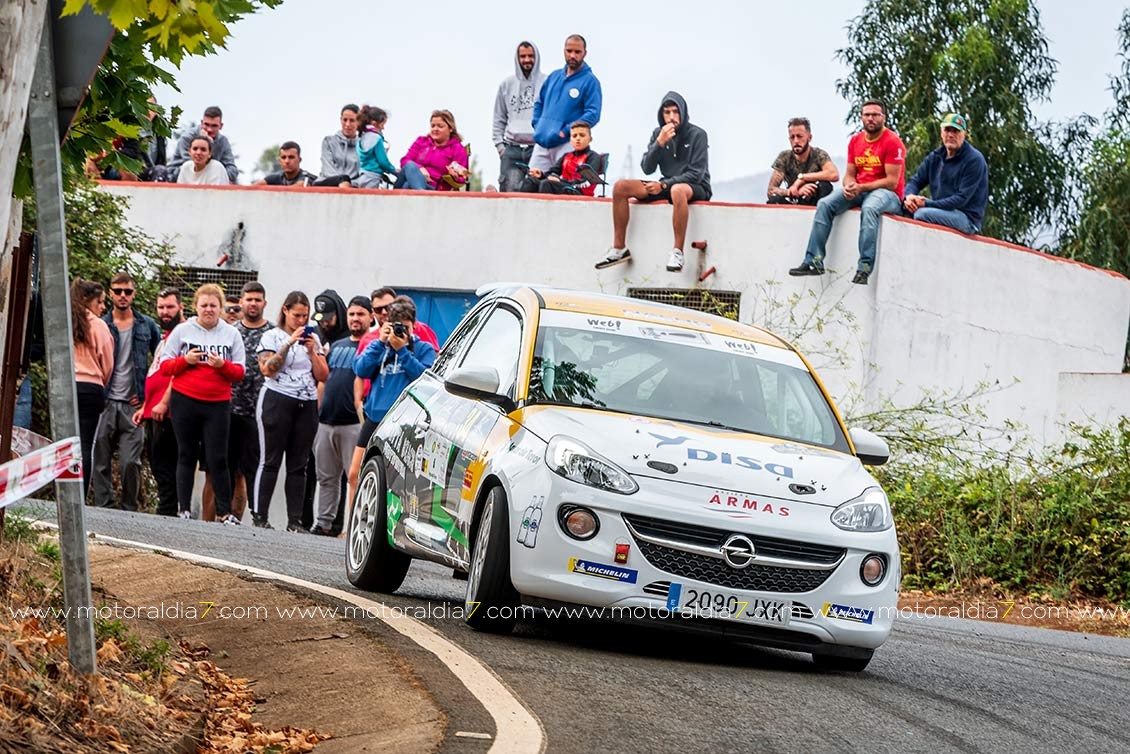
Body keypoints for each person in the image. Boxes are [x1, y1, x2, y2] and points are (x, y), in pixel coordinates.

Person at [789, 99, 906, 285]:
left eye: (875, 115)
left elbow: (892, 182)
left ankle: (864, 268)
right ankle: (813, 262)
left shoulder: (893, 142)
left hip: (887, 194)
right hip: (860, 189)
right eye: (867, 115)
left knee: (870, 208)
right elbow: (849, 174)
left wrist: (861, 187)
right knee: (825, 204)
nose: (870, 118)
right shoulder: (855, 141)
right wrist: (850, 186)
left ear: (883, 117)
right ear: (861, 117)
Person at [156, 284, 246, 523]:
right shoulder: (183, 330)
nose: (208, 310)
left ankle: (224, 512)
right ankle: (184, 509)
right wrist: (186, 360)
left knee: (218, 458)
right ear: (195, 306)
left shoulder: (231, 333)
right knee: (186, 454)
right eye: (204, 305)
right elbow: (165, 366)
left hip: (217, 403)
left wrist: (222, 366)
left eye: (213, 306)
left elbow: (240, 371)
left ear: (221, 307)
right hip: (185, 399)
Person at [596, 92, 711, 273]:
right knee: (620, 187)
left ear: (683, 112)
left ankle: (677, 252)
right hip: (666, 184)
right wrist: (659, 143)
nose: (671, 117)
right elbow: (647, 168)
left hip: (695, 186)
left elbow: (696, 174)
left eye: (675, 112)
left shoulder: (698, 135)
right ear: (661, 114)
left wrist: (664, 186)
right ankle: (619, 248)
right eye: (667, 112)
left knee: (677, 190)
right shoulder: (658, 133)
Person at [253, 291, 329, 532]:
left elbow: (323, 375)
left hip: (306, 402)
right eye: (297, 315)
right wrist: (288, 343)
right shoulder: (271, 336)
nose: (301, 321)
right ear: (285, 310)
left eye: (305, 316)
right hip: (277, 398)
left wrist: (311, 352)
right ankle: (260, 516)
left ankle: (294, 521)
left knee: (299, 464)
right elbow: (267, 369)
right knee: (270, 460)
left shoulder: (313, 339)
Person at [350, 298, 437, 506]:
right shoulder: (381, 346)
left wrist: (403, 351)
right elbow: (361, 369)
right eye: (397, 327)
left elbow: (424, 378)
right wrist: (381, 342)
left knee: (395, 480)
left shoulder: (423, 348)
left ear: (414, 326)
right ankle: (352, 518)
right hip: (376, 416)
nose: (401, 332)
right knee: (355, 473)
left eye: (405, 327)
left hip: (404, 422)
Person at [92, 272, 160, 510]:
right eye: (118, 291)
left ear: (134, 294)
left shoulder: (147, 325)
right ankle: (104, 507)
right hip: (105, 401)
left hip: (134, 404)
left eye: (128, 291)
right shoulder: (101, 324)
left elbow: (160, 361)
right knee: (100, 459)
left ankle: (129, 510)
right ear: (110, 293)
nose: (123, 295)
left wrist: (148, 399)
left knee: (131, 462)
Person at [312, 296, 371, 535]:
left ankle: (352, 528)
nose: (355, 319)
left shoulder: (372, 346)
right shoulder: (337, 345)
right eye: (352, 314)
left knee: (354, 478)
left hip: (353, 424)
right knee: (326, 477)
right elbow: (323, 380)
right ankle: (323, 523)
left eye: (361, 314)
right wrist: (320, 410)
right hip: (326, 422)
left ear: (371, 317)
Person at [131, 287, 184, 516]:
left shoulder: (184, 334)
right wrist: (146, 406)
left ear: (181, 307)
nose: (165, 312)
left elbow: (179, 373)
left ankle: (167, 515)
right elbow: (156, 372)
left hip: (170, 413)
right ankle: (166, 511)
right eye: (161, 307)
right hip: (153, 411)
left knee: (165, 467)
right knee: (156, 464)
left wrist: (163, 402)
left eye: (170, 307)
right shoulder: (166, 337)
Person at [229, 282, 273, 526]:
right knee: (227, 468)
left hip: (258, 412)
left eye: (257, 299)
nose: (253, 304)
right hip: (230, 408)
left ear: (264, 303)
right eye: (249, 299)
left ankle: (255, 515)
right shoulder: (230, 331)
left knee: (252, 468)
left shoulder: (273, 333)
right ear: (241, 302)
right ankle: (225, 516)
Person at [902, 113, 989, 235]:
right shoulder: (935, 156)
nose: (951, 135)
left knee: (922, 214)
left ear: (964, 134)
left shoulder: (974, 160)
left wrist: (926, 203)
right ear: (941, 132)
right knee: (901, 207)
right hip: (941, 210)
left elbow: (961, 199)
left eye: (956, 131)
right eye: (947, 130)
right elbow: (916, 181)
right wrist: (909, 197)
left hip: (966, 217)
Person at [531, 34, 602, 172]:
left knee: (560, 182)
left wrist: (566, 131)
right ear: (564, 51)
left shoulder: (590, 81)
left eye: (577, 52)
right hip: (542, 143)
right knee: (531, 181)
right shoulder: (553, 76)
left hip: (567, 144)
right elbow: (539, 103)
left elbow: (593, 114)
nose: (573, 55)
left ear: (585, 53)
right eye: (569, 51)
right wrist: (537, 124)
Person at [70, 279, 114, 496]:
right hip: (91, 387)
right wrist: (101, 380)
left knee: (65, 443)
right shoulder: (98, 325)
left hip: (68, 385)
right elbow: (108, 362)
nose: (103, 307)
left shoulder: (65, 322)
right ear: (87, 300)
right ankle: (80, 495)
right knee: (85, 444)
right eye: (100, 302)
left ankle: (64, 490)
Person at [493, 41, 546, 192]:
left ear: (537, 57)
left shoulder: (547, 83)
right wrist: (500, 147)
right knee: (510, 195)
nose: (527, 60)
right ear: (517, 58)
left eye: (531, 56)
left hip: (537, 149)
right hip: (512, 148)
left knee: (537, 195)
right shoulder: (507, 84)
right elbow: (499, 117)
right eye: (523, 56)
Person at [767, 117, 839, 206]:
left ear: (809, 138)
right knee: (774, 199)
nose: (796, 141)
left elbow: (833, 174)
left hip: (814, 200)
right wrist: (791, 192)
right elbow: (771, 190)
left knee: (825, 186)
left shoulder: (818, 154)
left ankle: (820, 213)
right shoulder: (785, 157)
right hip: (794, 201)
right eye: (792, 137)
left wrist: (803, 178)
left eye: (799, 136)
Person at [394, 110, 469, 191]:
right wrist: (420, 169)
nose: (435, 129)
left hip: (433, 188)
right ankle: (421, 193)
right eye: (433, 126)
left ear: (451, 128)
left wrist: (455, 177)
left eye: (440, 126)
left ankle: (420, 192)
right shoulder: (421, 141)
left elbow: (462, 178)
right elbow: (405, 160)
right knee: (410, 165)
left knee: (408, 185)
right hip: (406, 180)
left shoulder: (458, 149)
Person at [526, 120, 599, 195]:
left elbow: (587, 181)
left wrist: (560, 181)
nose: (578, 138)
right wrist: (541, 175)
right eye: (574, 136)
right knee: (530, 182)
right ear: (571, 140)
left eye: (582, 135)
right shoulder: (567, 156)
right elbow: (553, 171)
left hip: (580, 191)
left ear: (590, 139)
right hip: (566, 186)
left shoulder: (593, 157)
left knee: (547, 184)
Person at [168, 106, 238, 182]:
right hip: (179, 177)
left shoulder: (223, 141)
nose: (209, 129)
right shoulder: (187, 138)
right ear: (201, 123)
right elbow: (195, 165)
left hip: (210, 181)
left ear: (221, 126)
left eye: (214, 126)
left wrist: (219, 174)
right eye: (206, 124)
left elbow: (233, 171)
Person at [355, 106, 399, 189]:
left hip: (362, 175)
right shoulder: (377, 138)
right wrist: (394, 170)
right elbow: (383, 161)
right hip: (373, 177)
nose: (383, 128)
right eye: (382, 125)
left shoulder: (361, 137)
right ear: (374, 124)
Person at [317, 104, 360, 187]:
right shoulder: (328, 141)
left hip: (351, 186)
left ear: (358, 122)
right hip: (328, 183)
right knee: (343, 179)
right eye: (345, 120)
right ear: (341, 120)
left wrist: (351, 184)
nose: (347, 124)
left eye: (352, 120)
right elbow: (328, 169)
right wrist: (342, 182)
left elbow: (364, 175)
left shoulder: (363, 146)